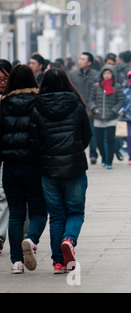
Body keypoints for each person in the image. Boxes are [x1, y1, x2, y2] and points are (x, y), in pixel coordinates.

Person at [30, 69, 92, 274]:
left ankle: (58, 262)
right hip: (74, 167)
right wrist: (75, 150)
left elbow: (34, 139)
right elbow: (86, 134)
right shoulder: (76, 103)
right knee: (75, 211)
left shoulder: (36, 106)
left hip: (49, 169)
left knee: (56, 216)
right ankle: (69, 240)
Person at [0, 65, 48, 273]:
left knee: (16, 214)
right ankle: (31, 239)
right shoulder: (39, 103)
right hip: (33, 166)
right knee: (38, 211)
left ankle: (16, 262)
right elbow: (42, 136)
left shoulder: (4, 104)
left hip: (10, 167)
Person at [88, 65, 124, 170]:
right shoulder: (96, 86)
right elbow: (91, 100)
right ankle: (103, 157)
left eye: (109, 73)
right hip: (99, 118)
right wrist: (94, 108)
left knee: (110, 140)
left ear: (113, 75)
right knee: (99, 141)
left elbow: (121, 101)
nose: (106, 75)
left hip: (111, 118)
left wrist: (114, 110)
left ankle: (109, 161)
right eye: (104, 73)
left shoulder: (116, 86)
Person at [69, 52, 99, 165]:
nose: (80, 61)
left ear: (89, 63)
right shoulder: (73, 74)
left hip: (90, 108)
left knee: (92, 132)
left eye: (83, 59)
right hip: (77, 107)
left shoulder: (95, 75)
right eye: (79, 59)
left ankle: (93, 155)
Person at [0, 59, 12, 256]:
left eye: (5, 78)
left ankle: (0, 237)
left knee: (3, 194)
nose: (2, 82)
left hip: (9, 152)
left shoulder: (14, 99)